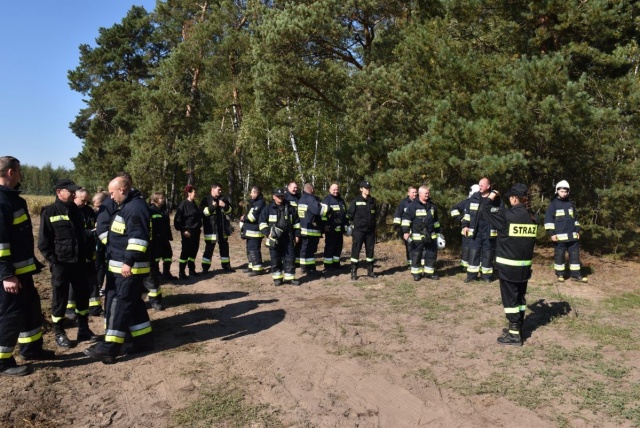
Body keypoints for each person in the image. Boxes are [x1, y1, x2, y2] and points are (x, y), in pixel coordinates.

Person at [84, 176, 153, 363]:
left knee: (120, 305)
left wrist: (128, 261)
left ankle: (109, 348)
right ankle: (143, 340)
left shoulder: (135, 208)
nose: (111, 197)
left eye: (112, 192)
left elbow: (138, 239)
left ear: (122, 189)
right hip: (122, 266)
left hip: (129, 268)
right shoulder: (127, 205)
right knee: (134, 304)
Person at [0, 156, 54, 376]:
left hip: (23, 272)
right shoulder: (2, 202)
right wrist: (6, 275)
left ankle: (31, 349)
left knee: (31, 309)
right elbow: (1, 243)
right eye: (20, 171)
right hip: (10, 275)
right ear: (11, 172)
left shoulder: (13, 199)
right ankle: (2, 361)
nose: (21, 174)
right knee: (10, 315)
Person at [38, 179, 97, 348]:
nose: (73, 194)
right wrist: (54, 261)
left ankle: (83, 329)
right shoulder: (49, 211)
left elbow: (81, 236)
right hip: (61, 264)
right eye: (70, 191)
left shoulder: (76, 211)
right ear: (59, 192)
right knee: (60, 299)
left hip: (79, 262)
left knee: (82, 295)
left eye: (74, 191)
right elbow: (43, 242)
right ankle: (59, 332)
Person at [478, 183, 538, 346]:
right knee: (520, 299)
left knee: (510, 301)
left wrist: (491, 196)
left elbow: (483, 211)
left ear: (514, 198)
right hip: (524, 268)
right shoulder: (533, 217)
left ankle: (514, 335)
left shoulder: (507, 215)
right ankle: (518, 328)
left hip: (508, 267)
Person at [544, 180, 588, 283]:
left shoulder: (571, 204)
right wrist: (552, 234)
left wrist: (577, 231)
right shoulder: (553, 205)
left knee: (575, 256)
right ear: (557, 191)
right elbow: (548, 220)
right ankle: (560, 275)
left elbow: (575, 219)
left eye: (565, 191)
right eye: (562, 191)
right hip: (559, 238)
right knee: (559, 256)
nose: (564, 193)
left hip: (572, 237)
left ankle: (576, 275)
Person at [259, 187, 301, 286]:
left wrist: (297, 235)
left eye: (282, 196)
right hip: (274, 238)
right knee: (275, 259)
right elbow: (261, 222)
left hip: (288, 237)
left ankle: (289, 278)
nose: (280, 198)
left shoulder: (290, 208)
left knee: (290, 258)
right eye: (278, 196)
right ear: (274, 197)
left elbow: (296, 223)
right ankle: (277, 278)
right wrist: (268, 233)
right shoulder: (268, 209)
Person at [462, 177, 501, 283]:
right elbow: (467, 214)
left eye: (482, 185)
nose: (480, 187)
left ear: (488, 186)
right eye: (479, 185)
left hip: (489, 231)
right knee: (474, 253)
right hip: (476, 231)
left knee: (488, 254)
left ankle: (486, 276)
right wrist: (465, 226)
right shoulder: (474, 197)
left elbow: (500, 214)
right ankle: (471, 276)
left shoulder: (496, 199)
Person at [72, 188, 103, 317]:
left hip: (89, 251)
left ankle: (95, 307)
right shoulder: (70, 211)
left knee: (92, 279)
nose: (85, 203)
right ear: (75, 197)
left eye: (87, 201)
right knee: (74, 281)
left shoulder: (89, 211)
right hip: (75, 253)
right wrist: (89, 233)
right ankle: (70, 308)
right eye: (83, 200)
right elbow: (72, 232)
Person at [402, 185, 441, 281]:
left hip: (431, 235)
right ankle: (416, 273)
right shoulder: (413, 205)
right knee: (416, 254)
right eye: (426, 193)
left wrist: (439, 232)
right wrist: (406, 232)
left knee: (431, 254)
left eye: (428, 193)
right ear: (420, 194)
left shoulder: (432, 206)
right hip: (417, 235)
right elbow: (406, 219)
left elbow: (436, 221)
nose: (427, 195)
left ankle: (429, 273)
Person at [346, 181, 378, 280]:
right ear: (361, 189)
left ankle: (370, 271)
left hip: (370, 231)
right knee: (356, 250)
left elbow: (375, 215)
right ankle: (353, 271)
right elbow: (349, 215)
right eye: (365, 188)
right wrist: (351, 225)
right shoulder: (355, 201)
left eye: (369, 188)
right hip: (358, 231)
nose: (367, 190)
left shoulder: (373, 201)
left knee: (370, 252)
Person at [200, 183, 233, 274]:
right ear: (213, 189)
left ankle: (226, 266)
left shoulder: (223, 199)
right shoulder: (206, 200)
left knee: (224, 247)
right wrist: (212, 207)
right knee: (209, 248)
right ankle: (205, 268)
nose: (220, 191)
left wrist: (225, 205)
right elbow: (204, 213)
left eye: (221, 190)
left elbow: (230, 210)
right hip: (211, 229)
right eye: (219, 189)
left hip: (222, 229)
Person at [298, 183, 330, 275]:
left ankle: (306, 268)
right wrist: (327, 208)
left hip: (304, 228)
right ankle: (309, 269)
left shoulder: (301, 199)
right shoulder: (310, 199)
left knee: (305, 250)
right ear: (311, 189)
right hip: (311, 230)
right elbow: (318, 210)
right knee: (309, 251)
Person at [146, 192, 169, 311]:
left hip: (161, 241)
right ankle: (154, 301)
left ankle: (165, 273)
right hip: (153, 244)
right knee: (151, 273)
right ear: (154, 199)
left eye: (163, 198)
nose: (163, 200)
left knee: (166, 257)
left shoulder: (162, 210)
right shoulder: (151, 210)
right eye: (160, 198)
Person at [174, 185, 202, 279]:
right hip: (187, 233)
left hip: (196, 232)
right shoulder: (184, 204)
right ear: (189, 193)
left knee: (193, 252)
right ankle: (181, 272)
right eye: (194, 192)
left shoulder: (194, 204)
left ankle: (191, 270)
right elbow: (177, 220)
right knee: (185, 252)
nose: (196, 194)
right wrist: (183, 230)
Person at [450, 184, 479, 272]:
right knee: (466, 249)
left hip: (478, 231)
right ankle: (464, 267)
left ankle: (475, 265)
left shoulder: (482, 202)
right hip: (466, 230)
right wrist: (460, 219)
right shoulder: (466, 202)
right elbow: (453, 209)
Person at [240, 186, 265, 276]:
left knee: (254, 250)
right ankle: (251, 266)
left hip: (255, 232)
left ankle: (258, 269)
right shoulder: (255, 202)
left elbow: (252, 217)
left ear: (256, 193)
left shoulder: (260, 203)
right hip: (251, 231)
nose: (250, 194)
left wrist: (244, 218)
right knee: (249, 249)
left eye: (251, 192)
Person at [321, 183, 347, 270]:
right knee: (330, 247)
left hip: (340, 229)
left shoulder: (341, 201)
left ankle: (336, 263)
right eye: (334, 190)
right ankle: (328, 265)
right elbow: (323, 215)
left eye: (337, 189)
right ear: (329, 190)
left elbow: (345, 214)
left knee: (338, 247)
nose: (336, 191)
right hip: (331, 229)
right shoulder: (326, 200)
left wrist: (346, 225)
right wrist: (325, 225)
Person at [393, 186, 417, 267]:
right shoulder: (403, 203)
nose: (414, 194)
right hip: (407, 228)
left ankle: (417, 263)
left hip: (417, 228)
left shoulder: (419, 202)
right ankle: (410, 263)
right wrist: (397, 226)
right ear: (408, 193)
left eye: (415, 192)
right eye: (413, 192)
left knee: (418, 246)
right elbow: (398, 214)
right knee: (409, 246)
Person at [92, 191, 109, 303]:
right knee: (98, 265)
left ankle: (101, 286)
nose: (96, 208)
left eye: (98, 206)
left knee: (103, 266)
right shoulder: (93, 213)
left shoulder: (109, 212)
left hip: (107, 244)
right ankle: (98, 286)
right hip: (97, 244)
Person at [285, 181, 301, 266]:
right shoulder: (285, 197)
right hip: (288, 224)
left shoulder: (299, 197)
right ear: (288, 187)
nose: (295, 189)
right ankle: (287, 262)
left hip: (298, 223)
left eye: (296, 188)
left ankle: (297, 262)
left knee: (298, 243)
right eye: (293, 188)